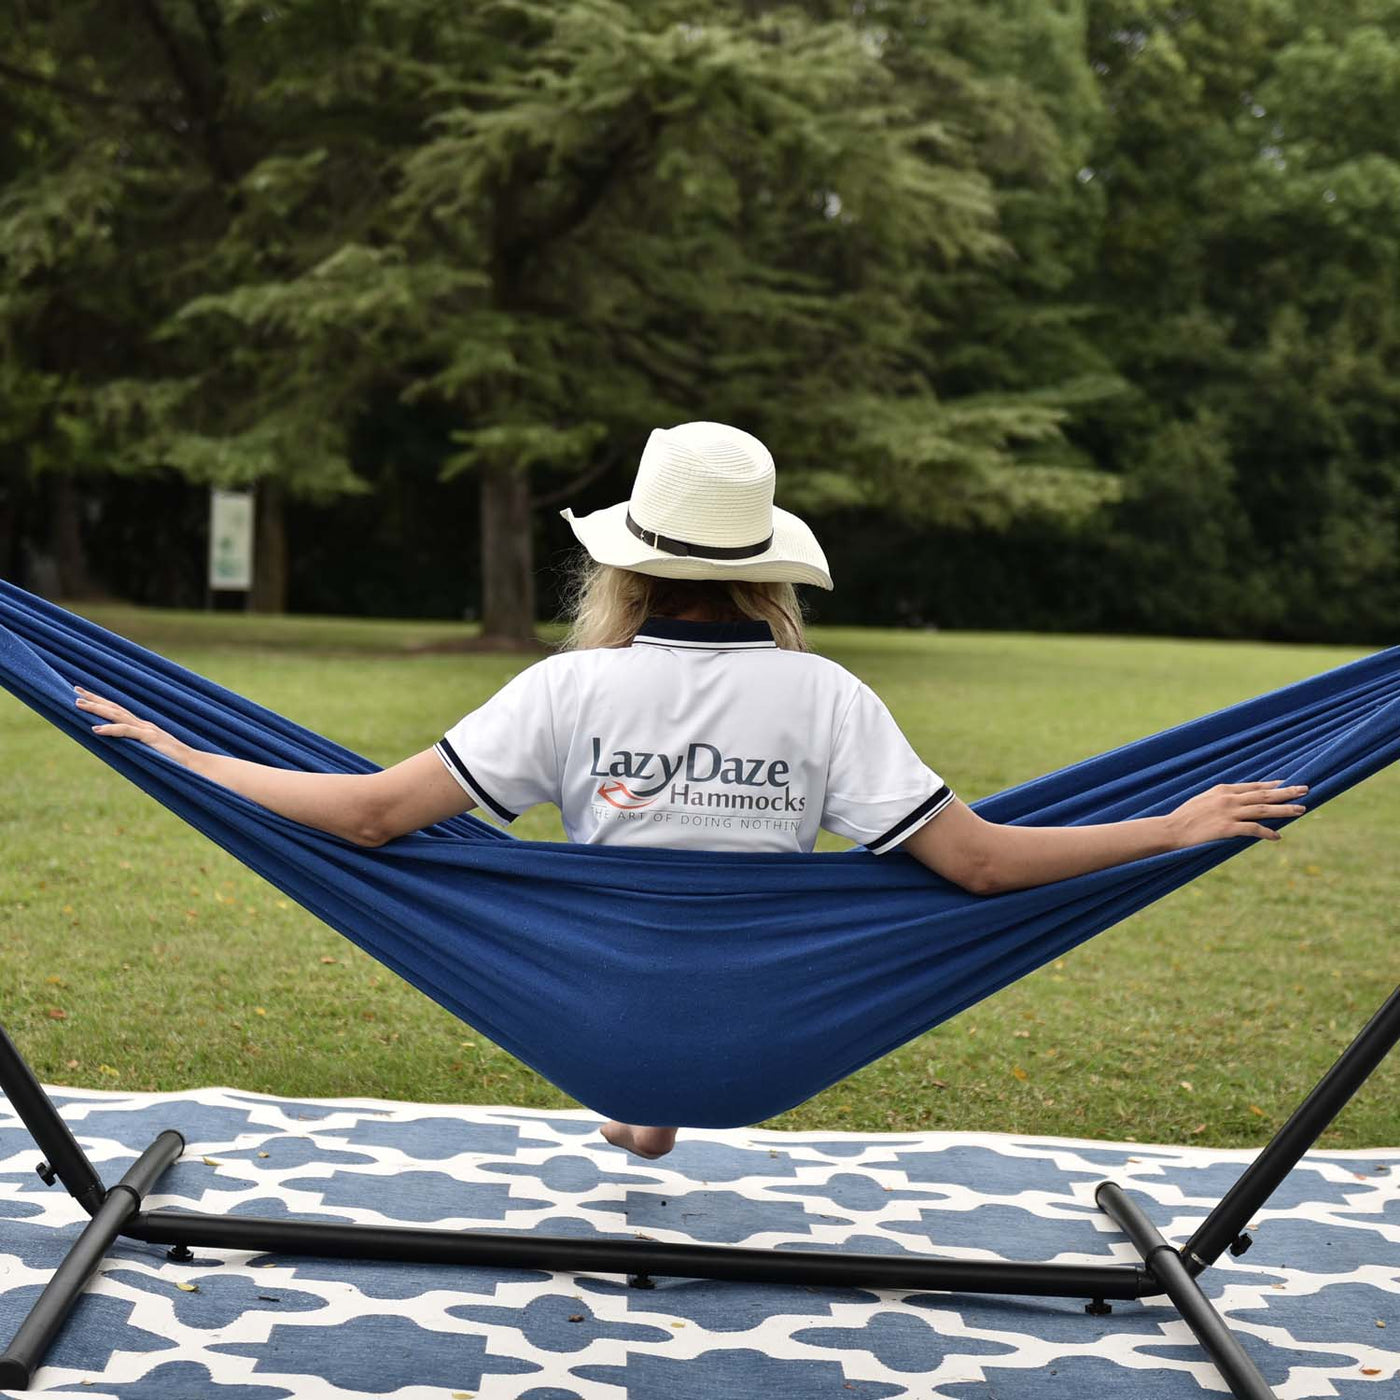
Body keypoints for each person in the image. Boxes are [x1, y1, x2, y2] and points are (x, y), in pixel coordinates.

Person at [74, 421, 1307, 1159]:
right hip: (766, 1039)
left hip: (597, 1023)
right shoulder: (823, 699)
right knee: (712, 934)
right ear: (766, 570)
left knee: (636, 927)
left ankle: (641, 1104)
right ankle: (652, 1112)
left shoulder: (570, 690)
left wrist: (192, 755)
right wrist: (1173, 822)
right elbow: (979, 866)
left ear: (627, 565)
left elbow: (366, 817)